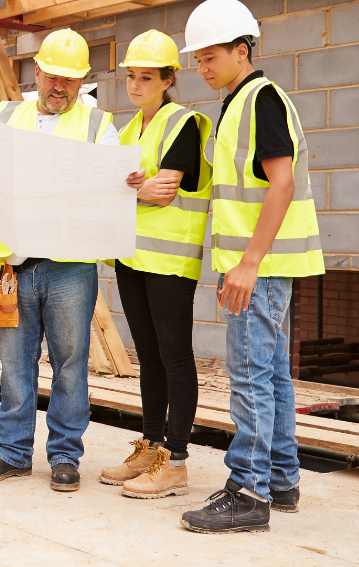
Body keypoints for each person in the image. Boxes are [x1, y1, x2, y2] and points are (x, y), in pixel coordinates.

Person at [0, 28, 127, 492]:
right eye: (53, 76)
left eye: (71, 81)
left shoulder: (99, 126)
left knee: (70, 362)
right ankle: (14, 452)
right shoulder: (5, 114)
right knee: (15, 364)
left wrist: (129, 179)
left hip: (69, 266)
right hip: (12, 265)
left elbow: (115, 179)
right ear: (36, 72)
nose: (60, 88)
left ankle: (64, 457)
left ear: (82, 83)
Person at [176, 0, 324, 532]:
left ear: (243, 50)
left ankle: (248, 492)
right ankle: (281, 480)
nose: (202, 67)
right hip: (257, 265)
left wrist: (248, 263)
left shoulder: (260, 99)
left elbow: (280, 183)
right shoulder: (239, 101)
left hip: (257, 267)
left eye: (210, 56)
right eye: (198, 59)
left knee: (250, 377)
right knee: (270, 375)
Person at [98, 29, 212, 499]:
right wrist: (131, 188)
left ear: (168, 80)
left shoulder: (183, 123)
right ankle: (150, 445)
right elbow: (113, 189)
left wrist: (129, 188)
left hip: (170, 261)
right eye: (131, 76)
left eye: (147, 77)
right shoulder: (128, 131)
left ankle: (177, 462)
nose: (136, 85)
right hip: (132, 257)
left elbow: (164, 191)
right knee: (148, 357)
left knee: (175, 356)